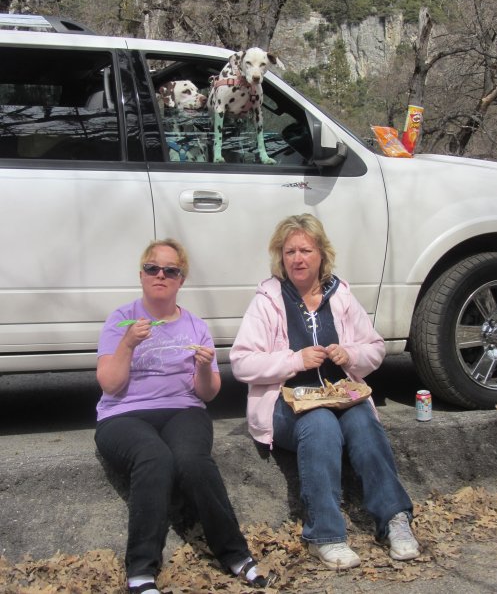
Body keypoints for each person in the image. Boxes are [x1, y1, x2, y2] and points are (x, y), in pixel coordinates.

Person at [230, 214, 420, 570]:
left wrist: (351, 354)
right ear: (280, 257)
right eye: (289, 252)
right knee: (320, 424)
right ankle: (326, 535)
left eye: (305, 250)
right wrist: (294, 360)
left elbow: (375, 348)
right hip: (286, 403)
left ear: (321, 255)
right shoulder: (268, 299)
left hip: (341, 395)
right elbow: (241, 362)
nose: (297, 259)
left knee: (363, 421)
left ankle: (395, 521)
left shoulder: (340, 295)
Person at [95, 238, 273, 594]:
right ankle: (141, 571)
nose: (160, 275)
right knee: (154, 457)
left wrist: (205, 369)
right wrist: (128, 343)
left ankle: (236, 555)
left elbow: (206, 393)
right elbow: (110, 385)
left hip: (183, 410)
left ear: (181, 279)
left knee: (192, 459)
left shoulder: (195, 327)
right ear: (142, 274)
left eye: (170, 270)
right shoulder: (120, 319)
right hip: (123, 415)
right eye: (152, 268)